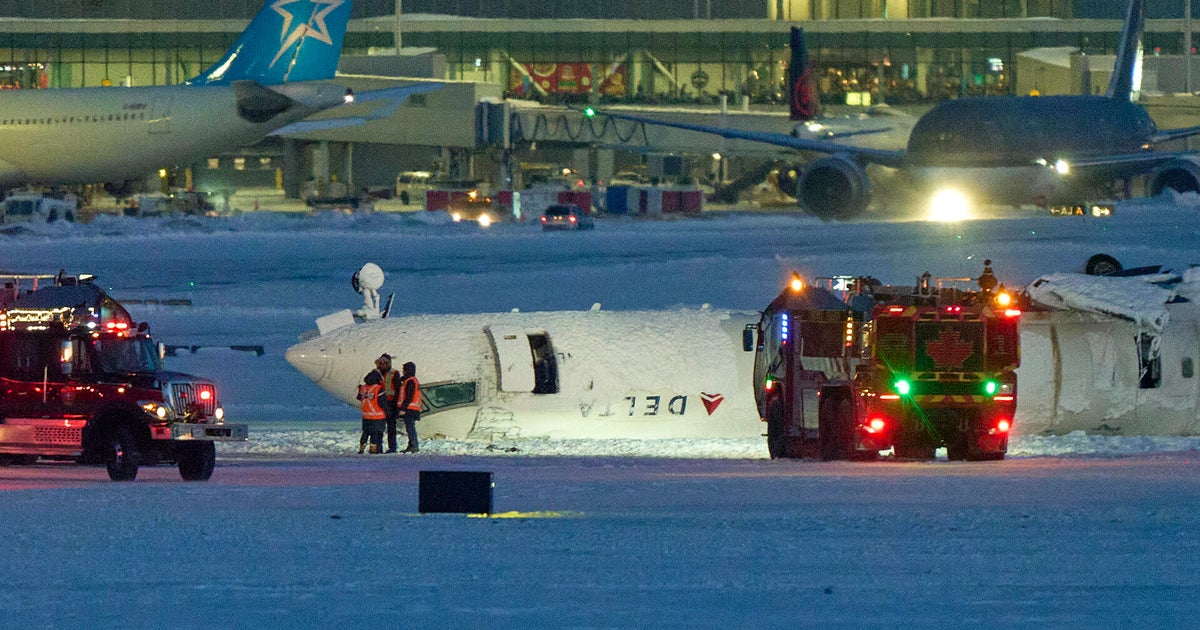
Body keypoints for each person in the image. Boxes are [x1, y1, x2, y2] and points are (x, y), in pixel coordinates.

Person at [370, 354, 402, 453]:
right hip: (379, 403)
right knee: (379, 427)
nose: (382, 365)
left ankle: (392, 448)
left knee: (391, 427)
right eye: (380, 363)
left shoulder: (394, 373)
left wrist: (397, 405)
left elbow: (398, 389)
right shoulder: (375, 373)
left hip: (391, 403)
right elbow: (368, 381)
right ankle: (378, 448)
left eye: (385, 363)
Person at [356, 371, 386, 454]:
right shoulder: (378, 389)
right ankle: (373, 449)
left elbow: (359, 397)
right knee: (375, 434)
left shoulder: (363, 388)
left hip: (366, 416)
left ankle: (362, 448)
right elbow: (382, 403)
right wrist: (388, 412)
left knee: (365, 433)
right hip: (378, 416)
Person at [397, 361, 422, 453]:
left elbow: (409, 396)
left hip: (410, 409)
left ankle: (414, 445)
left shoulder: (410, 381)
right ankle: (412, 445)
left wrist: (403, 408)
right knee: (410, 427)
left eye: (404, 370)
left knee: (410, 428)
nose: (403, 372)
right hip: (412, 408)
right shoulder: (410, 380)